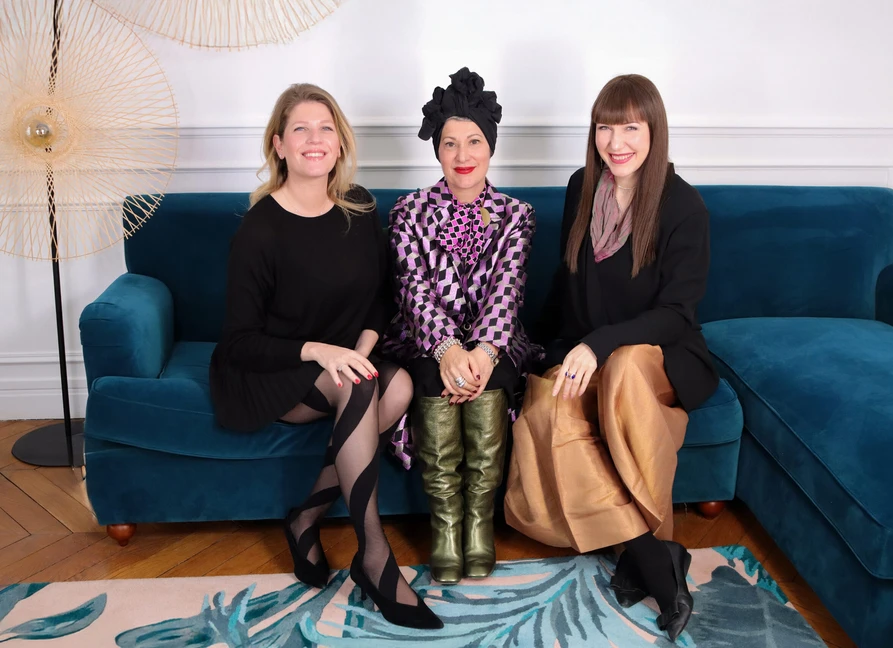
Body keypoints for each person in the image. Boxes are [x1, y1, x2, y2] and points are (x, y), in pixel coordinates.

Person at [208, 83, 441, 629]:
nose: (315, 140)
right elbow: (240, 340)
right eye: (300, 130)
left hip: (340, 360)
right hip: (273, 369)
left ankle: (305, 517)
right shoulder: (259, 229)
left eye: (326, 128)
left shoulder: (358, 209)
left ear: (339, 143)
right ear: (279, 145)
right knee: (360, 387)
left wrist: (359, 350)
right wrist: (322, 352)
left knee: (399, 383)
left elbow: (381, 298)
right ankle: (376, 557)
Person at [502, 74, 720, 642]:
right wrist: (534, 344)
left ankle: (644, 559)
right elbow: (566, 279)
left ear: (654, 131)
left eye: (631, 127)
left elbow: (677, 312)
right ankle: (652, 556)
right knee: (551, 409)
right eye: (605, 127)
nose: (616, 141)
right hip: (590, 352)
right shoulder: (583, 187)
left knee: (622, 366)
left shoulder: (683, 206)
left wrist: (598, 346)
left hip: (663, 358)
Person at [381, 68, 542, 585]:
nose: (462, 153)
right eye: (450, 143)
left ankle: (479, 523)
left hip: (494, 344)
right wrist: (448, 350)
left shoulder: (517, 214)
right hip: (425, 339)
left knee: (489, 383)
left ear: (490, 146)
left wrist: (483, 353)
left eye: (473, 140)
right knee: (430, 378)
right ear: (437, 151)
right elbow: (413, 289)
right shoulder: (407, 212)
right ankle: (446, 526)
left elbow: (507, 292)